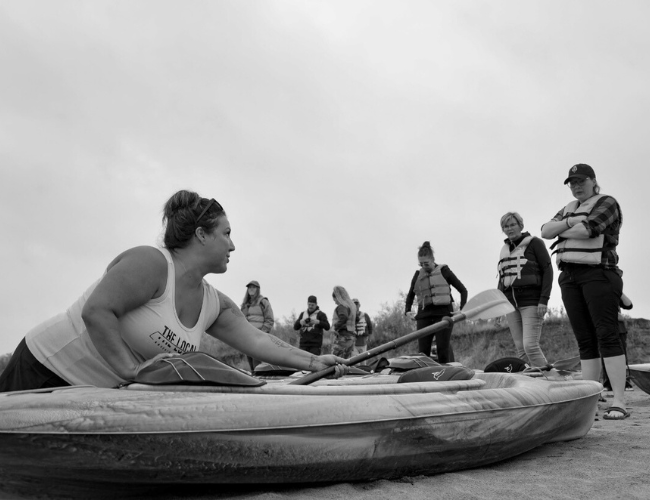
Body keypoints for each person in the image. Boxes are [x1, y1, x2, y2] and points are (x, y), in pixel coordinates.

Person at [0, 190, 347, 393]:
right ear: (200, 235)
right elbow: (97, 311)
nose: (233, 245)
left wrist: (317, 361)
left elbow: (260, 342)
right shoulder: (151, 263)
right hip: (43, 367)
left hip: (91, 395)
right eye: (226, 233)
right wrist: (130, 371)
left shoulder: (214, 304)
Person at [541, 163, 628, 420]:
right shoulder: (570, 209)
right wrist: (571, 221)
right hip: (569, 277)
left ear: (593, 181)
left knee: (607, 335)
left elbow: (590, 229)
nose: (576, 186)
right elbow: (545, 231)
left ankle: (620, 401)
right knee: (585, 339)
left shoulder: (607, 202)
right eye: (572, 183)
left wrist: (566, 227)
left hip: (599, 274)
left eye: (581, 181)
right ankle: (591, 396)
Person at [497, 212, 553, 368]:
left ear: (520, 225)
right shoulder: (505, 249)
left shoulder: (535, 243)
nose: (510, 229)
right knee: (521, 349)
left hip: (531, 302)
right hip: (510, 305)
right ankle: (533, 384)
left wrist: (544, 299)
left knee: (530, 345)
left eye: (512, 225)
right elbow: (502, 280)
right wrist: (498, 307)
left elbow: (548, 271)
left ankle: (549, 379)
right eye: (506, 226)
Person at [404, 241, 468, 363]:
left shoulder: (444, 271)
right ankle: (425, 378)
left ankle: (446, 376)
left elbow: (463, 290)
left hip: (443, 315)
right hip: (424, 316)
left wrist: (462, 310)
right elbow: (410, 295)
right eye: (421, 264)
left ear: (433, 260)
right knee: (423, 352)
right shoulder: (418, 275)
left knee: (442, 349)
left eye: (426, 263)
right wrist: (407, 310)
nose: (424, 266)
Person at [602, 293, 634, 392]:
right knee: (606, 357)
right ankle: (608, 383)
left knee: (622, 356)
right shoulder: (595, 291)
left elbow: (629, 305)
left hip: (619, 329)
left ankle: (625, 382)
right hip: (604, 328)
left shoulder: (614, 291)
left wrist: (619, 291)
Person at [240, 280, 274, 372]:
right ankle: (254, 380)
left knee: (258, 364)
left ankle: (261, 382)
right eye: (249, 287)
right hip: (248, 338)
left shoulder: (263, 302)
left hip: (258, 338)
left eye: (253, 287)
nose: (251, 289)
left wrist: (261, 333)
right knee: (251, 364)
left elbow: (269, 319)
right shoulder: (245, 304)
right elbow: (241, 320)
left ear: (257, 289)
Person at [331, 286, 357, 360]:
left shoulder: (342, 307)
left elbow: (344, 317)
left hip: (342, 337)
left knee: (335, 360)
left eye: (335, 300)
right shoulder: (352, 307)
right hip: (351, 337)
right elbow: (356, 319)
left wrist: (335, 327)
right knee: (347, 361)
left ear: (338, 297)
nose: (335, 303)